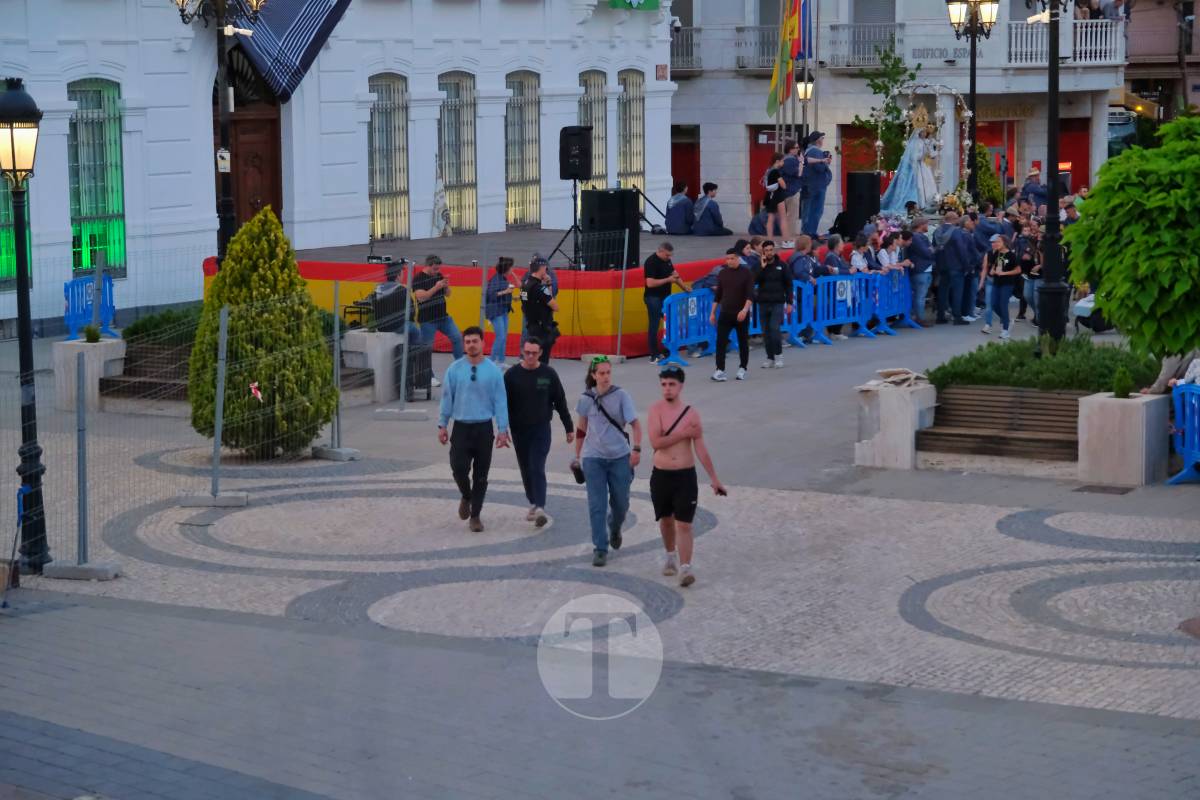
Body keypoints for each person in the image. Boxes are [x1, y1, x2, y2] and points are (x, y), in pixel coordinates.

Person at [646, 365, 727, 588]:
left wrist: (714, 478)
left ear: (680, 386)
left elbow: (700, 448)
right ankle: (670, 555)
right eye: (664, 384)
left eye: (671, 384)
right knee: (666, 520)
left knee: (684, 524)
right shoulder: (655, 410)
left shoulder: (691, 414)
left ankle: (685, 567)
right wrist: (683, 433)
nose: (667, 389)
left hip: (685, 476)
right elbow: (656, 442)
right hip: (661, 475)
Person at [437, 327, 510, 533]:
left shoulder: (493, 371)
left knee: (481, 475)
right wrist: (442, 424)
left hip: (483, 429)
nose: (471, 345)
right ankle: (466, 495)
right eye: (467, 341)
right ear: (464, 344)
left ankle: (475, 516)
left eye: (475, 341)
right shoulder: (454, 369)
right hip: (461, 428)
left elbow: (500, 401)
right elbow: (447, 397)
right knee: (458, 468)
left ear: (483, 343)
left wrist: (502, 429)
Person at [572, 357, 642, 567]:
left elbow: (636, 424)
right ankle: (600, 548)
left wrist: (636, 449)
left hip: (620, 456)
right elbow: (581, 429)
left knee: (621, 503)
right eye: (601, 373)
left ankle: (615, 525)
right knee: (597, 505)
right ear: (594, 375)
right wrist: (577, 456)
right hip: (593, 458)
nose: (605, 377)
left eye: (608, 373)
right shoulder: (586, 399)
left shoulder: (621, 395)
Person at [504, 337, 574, 529]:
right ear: (522, 351)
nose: (530, 356)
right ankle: (534, 502)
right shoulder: (511, 375)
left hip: (541, 429)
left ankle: (540, 507)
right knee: (526, 469)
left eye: (534, 353)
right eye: (527, 353)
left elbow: (560, 401)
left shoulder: (548, 374)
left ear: (541, 353)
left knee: (537, 466)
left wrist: (569, 427)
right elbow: (502, 404)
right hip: (519, 430)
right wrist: (503, 429)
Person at [413, 255, 464, 388]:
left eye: (439, 269)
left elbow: (448, 294)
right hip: (427, 320)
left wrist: (446, 286)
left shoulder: (439, 275)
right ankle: (429, 376)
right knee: (427, 348)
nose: (437, 271)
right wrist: (436, 287)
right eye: (435, 269)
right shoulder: (418, 278)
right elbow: (421, 297)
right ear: (428, 266)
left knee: (457, 338)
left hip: (443, 317)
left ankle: (461, 368)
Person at [709, 247, 754, 382]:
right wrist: (712, 313)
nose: (729, 261)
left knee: (742, 341)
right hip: (725, 313)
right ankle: (720, 369)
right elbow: (718, 295)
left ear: (738, 258)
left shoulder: (746, 273)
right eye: (727, 259)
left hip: (741, 314)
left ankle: (742, 368)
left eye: (732, 258)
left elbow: (750, 294)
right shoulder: (723, 273)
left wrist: (744, 310)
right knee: (720, 342)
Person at [643, 242, 688, 364]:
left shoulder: (667, 261)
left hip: (665, 298)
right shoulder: (651, 262)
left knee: (671, 323)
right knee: (654, 324)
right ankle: (654, 355)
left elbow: (675, 275)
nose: (669, 257)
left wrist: (684, 287)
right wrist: (668, 280)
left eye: (670, 255)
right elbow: (650, 283)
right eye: (667, 255)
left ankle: (668, 351)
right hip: (653, 297)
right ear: (660, 251)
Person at [880, 127, 939, 214]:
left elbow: (930, 153)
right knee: (919, 186)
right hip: (918, 167)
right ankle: (920, 205)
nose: (924, 134)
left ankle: (929, 203)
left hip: (924, 166)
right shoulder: (915, 142)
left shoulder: (925, 142)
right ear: (919, 133)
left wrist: (936, 150)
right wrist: (922, 155)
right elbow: (913, 156)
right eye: (923, 132)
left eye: (925, 132)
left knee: (928, 183)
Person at [754, 239, 794, 369]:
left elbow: (789, 284)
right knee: (765, 331)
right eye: (766, 250)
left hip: (777, 302)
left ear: (774, 250)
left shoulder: (782, 266)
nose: (769, 252)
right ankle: (769, 357)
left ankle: (779, 355)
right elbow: (753, 280)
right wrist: (761, 267)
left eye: (771, 250)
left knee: (774, 328)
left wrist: (789, 302)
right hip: (763, 302)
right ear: (763, 252)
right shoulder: (759, 266)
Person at [520, 256, 559, 364]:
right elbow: (555, 307)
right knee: (542, 362)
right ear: (541, 268)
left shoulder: (525, 284)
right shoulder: (539, 288)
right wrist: (549, 284)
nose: (546, 270)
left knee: (532, 361)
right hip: (542, 329)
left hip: (531, 326)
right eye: (545, 268)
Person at [983, 234, 1020, 340]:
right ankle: (1007, 320)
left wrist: (1004, 273)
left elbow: (1018, 270)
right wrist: (993, 270)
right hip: (996, 282)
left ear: (1005, 243)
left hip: (1007, 283)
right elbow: (995, 265)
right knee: (994, 304)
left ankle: (1005, 330)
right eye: (996, 241)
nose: (996, 243)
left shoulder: (1011, 255)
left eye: (998, 241)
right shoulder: (997, 253)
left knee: (1003, 304)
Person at [483, 257, 518, 366]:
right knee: (500, 337)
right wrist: (506, 291)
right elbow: (491, 295)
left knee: (503, 337)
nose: (512, 269)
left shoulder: (503, 279)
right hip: (495, 312)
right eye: (511, 267)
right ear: (506, 269)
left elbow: (501, 293)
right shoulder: (496, 280)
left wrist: (513, 297)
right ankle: (491, 361)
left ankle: (501, 361)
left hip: (503, 311)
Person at [801, 131, 833, 238]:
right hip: (817, 186)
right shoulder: (815, 151)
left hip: (811, 185)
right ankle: (810, 233)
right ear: (818, 140)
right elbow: (820, 168)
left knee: (809, 210)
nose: (823, 140)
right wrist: (826, 163)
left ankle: (807, 233)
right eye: (822, 138)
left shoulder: (808, 151)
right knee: (816, 210)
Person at [903, 219, 935, 326]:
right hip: (921, 270)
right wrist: (931, 250)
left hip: (924, 269)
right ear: (921, 225)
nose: (928, 226)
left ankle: (916, 317)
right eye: (926, 224)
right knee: (920, 296)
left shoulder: (919, 236)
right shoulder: (917, 237)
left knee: (920, 295)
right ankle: (919, 318)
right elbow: (926, 252)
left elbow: (930, 250)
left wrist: (931, 250)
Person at [762, 152, 791, 249]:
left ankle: (770, 241)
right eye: (782, 161)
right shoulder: (776, 171)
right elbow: (783, 185)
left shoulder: (768, 170)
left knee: (771, 218)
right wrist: (784, 184)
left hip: (769, 196)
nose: (783, 163)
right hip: (778, 196)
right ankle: (786, 241)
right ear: (777, 161)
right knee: (783, 218)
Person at [780, 139, 804, 246]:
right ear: (790, 149)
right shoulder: (791, 160)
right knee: (792, 217)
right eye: (796, 148)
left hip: (786, 191)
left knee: (787, 216)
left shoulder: (785, 159)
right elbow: (798, 173)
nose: (798, 150)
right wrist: (801, 162)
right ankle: (788, 240)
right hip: (792, 192)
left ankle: (787, 239)